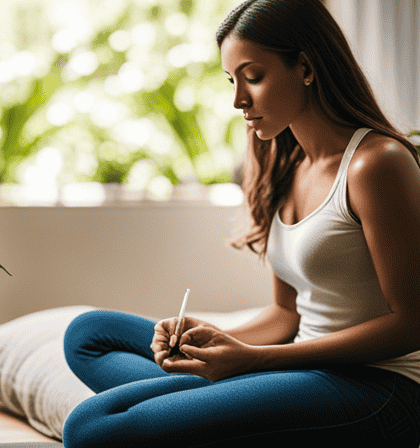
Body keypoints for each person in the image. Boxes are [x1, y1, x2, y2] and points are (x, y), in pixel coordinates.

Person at [61, 0, 420, 446]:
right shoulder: (284, 164)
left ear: (306, 67)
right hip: (296, 368)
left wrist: (253, 362)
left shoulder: (376, 164)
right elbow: (286, 313)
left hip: (376, 387)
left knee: (90, 427)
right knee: (89, 335)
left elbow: (411, 322)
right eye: (232, 81)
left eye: (253, 77)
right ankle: (219, 410)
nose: (237, 100)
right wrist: (214, 339)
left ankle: (211, 410)